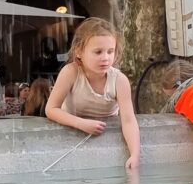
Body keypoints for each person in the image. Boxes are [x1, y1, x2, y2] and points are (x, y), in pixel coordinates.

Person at [45, 17, 141, 170]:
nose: (105, 58)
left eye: (110, 51)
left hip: (105, 134)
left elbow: (129, 120)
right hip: (71, 132)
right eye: (98, 52)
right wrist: (81, 123)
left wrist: (135, 154)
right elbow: (51, 109)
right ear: (79, 51)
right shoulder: (70, 72)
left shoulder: (119, 80)